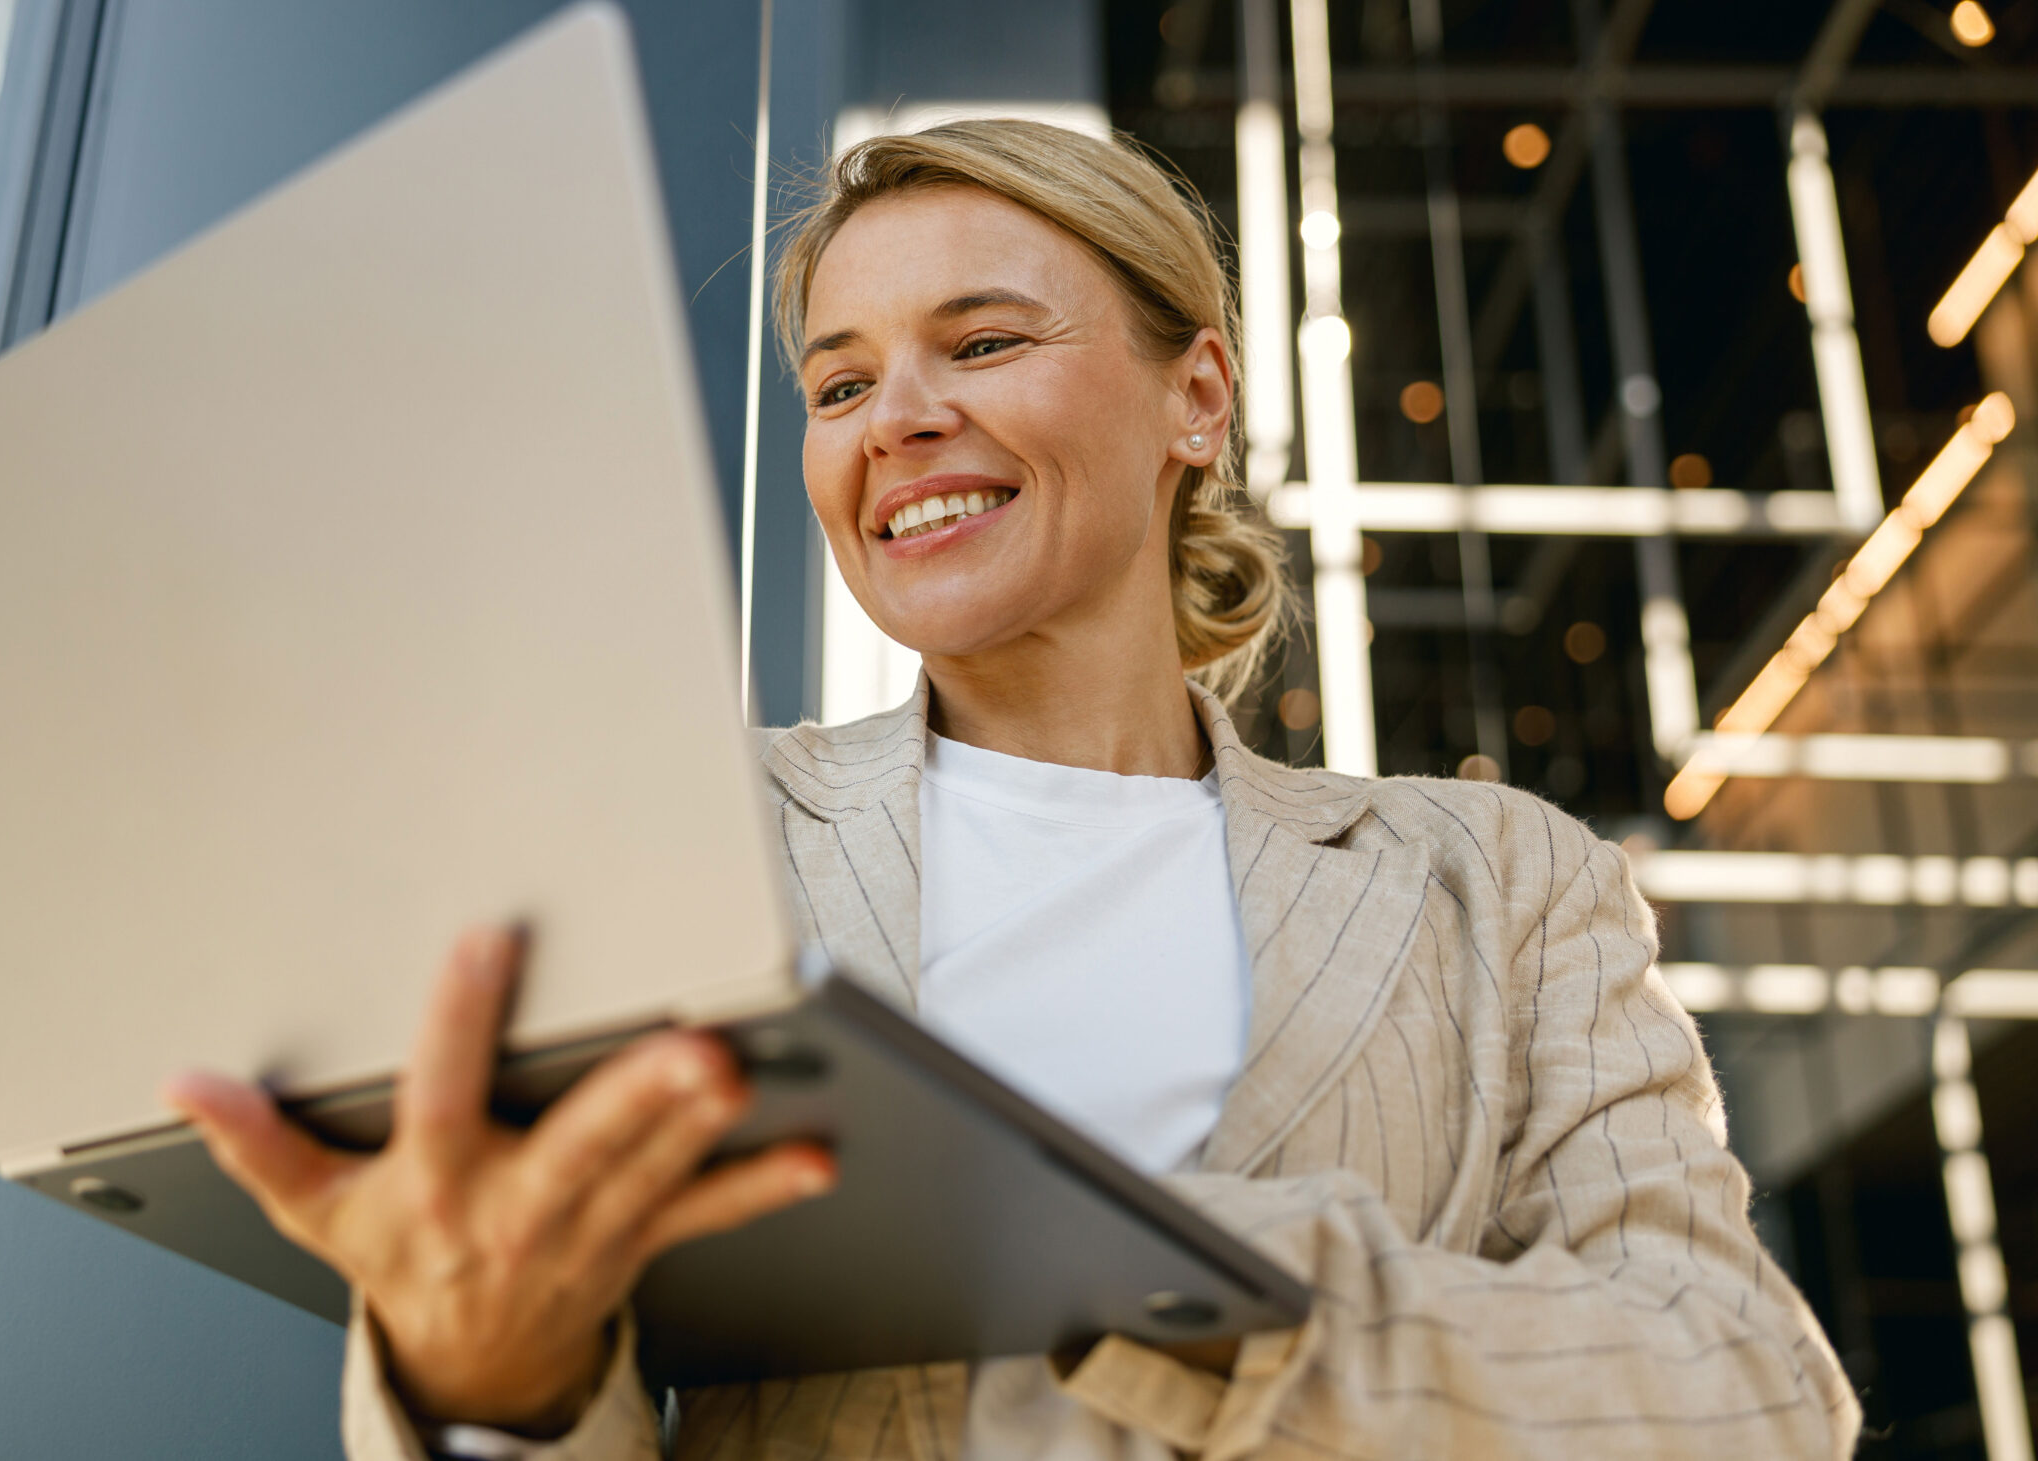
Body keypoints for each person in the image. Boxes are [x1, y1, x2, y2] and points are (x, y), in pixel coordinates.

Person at [166, 120, 1858, 1460]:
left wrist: (1158, 1270)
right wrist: (491, 1382)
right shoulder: (692, 838)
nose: (894, 418)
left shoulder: (1496, 879)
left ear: (1194, 396)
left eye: (978, 341)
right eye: (836, 384)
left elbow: (1744, 1395)